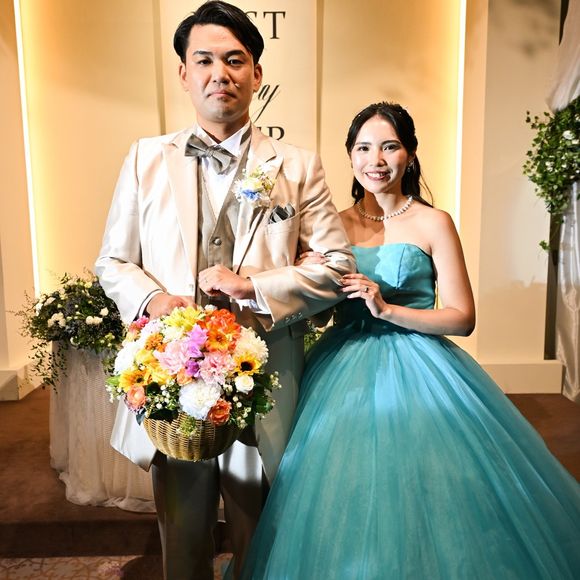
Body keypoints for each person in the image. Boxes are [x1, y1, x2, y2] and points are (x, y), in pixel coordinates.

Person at [241, 102, 580, 579]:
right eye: (363, 148)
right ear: (350, 156)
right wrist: (306, 279)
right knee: (340, 486)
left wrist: (387, 309)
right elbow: (318, 312)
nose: (375, 160)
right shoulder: (331, 225)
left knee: (427, 488)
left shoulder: (433, 222)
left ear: (411, 154)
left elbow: (462, 317)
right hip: (339, 366)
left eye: (390, 146)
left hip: (419, 365)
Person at [94, 2, 355, 578]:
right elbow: (112, 260)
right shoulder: (144, 158)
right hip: (171, 378)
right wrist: (155, 301)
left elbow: (338, 267)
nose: (221, 74)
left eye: (235, 60)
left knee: (260, 534)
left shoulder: (297, 166)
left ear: (256, 74)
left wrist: (254, 286)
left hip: (263, 377)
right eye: (204, 60)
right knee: (181, 535)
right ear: (183, 73)